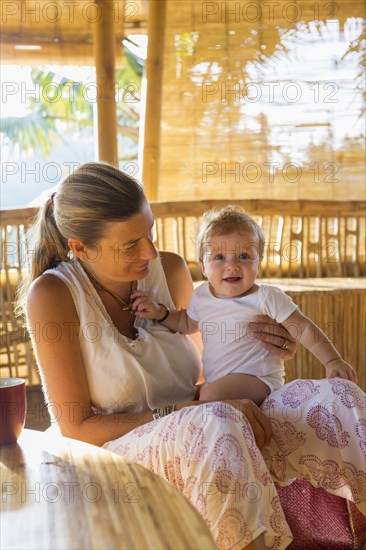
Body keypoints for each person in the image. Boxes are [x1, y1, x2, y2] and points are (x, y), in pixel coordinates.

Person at [19, 162, 366, 550]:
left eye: (148, 231)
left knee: (337, 399)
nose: (150, 251)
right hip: (123, 451)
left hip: (212, 421)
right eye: (130, 244)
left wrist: (264, 351)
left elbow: (208, 375)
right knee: (214, 420)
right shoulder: (53, 295)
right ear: (80, 248)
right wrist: (188, 411)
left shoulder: (168, 269)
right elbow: (77, 428)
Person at [131, 206, 357, 405]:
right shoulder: (202, 296)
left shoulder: (266, 297)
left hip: (258, 380)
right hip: (219, 382)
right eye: (219, 257)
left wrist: (332, 360)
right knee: (206, 394)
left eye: (243, 256)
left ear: (259, 261)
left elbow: (303, 327)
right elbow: (186, 323)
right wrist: (161, 313)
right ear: (203, 266)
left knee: (208, 398)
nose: (232, 266)